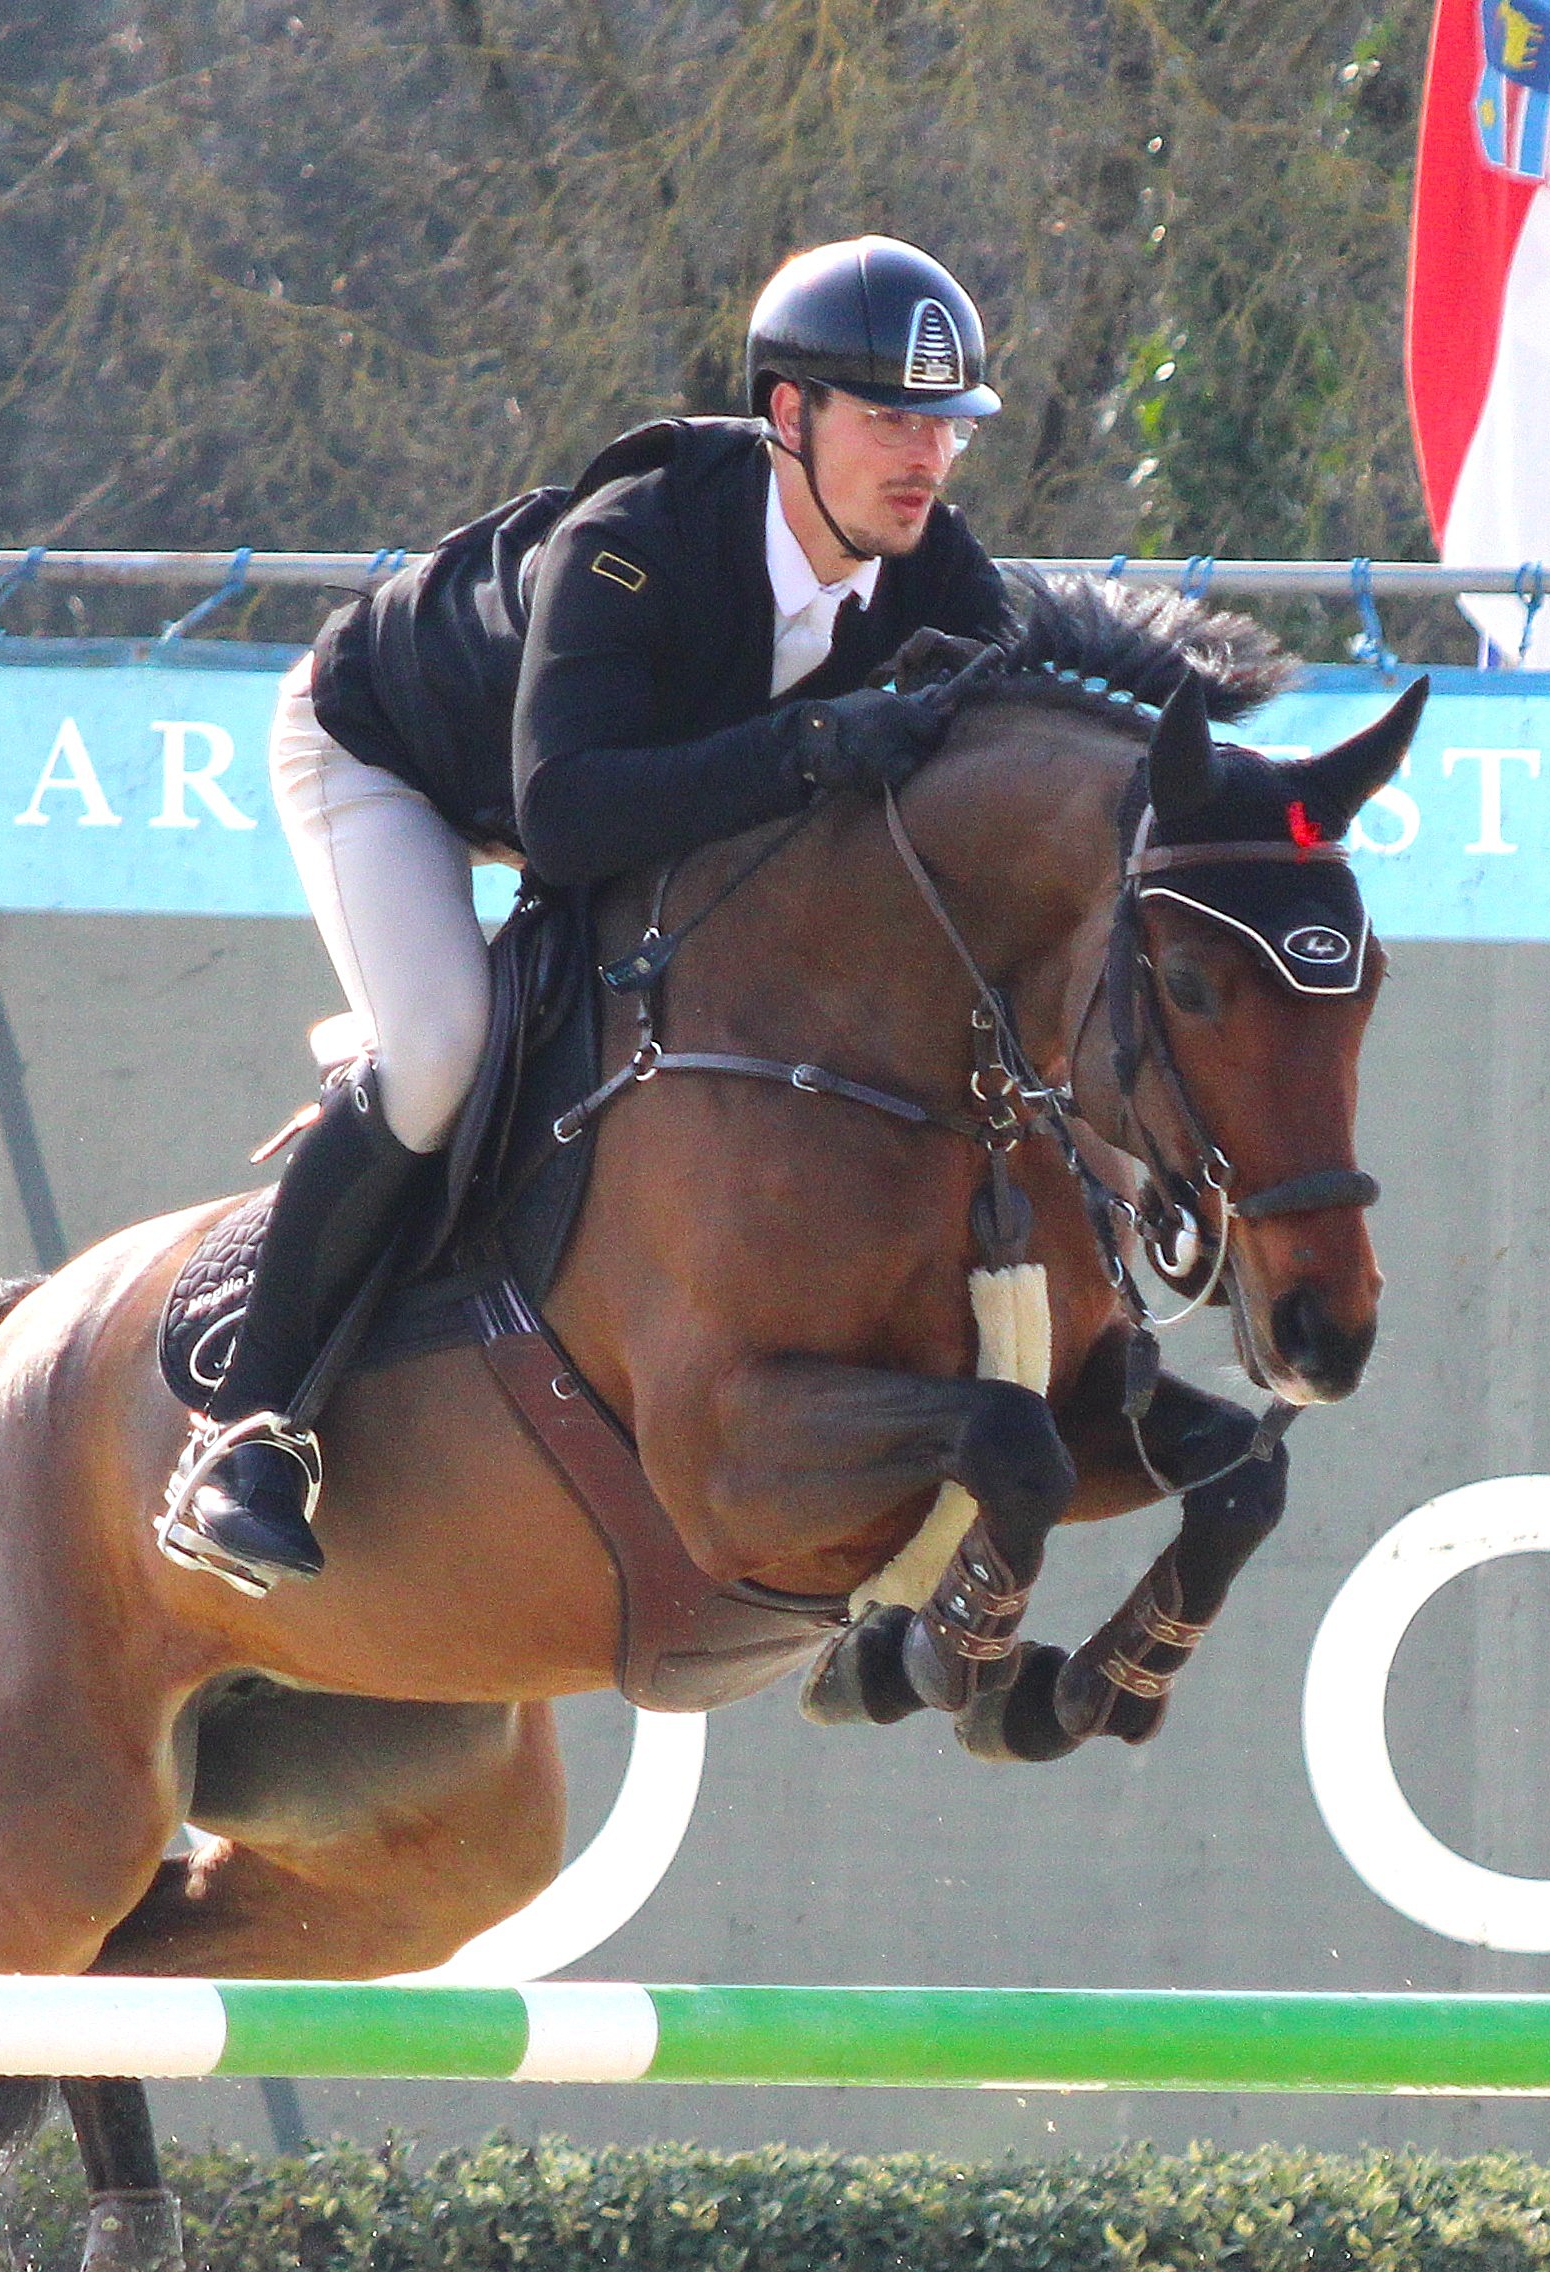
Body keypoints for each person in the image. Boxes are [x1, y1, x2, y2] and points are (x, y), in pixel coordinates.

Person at [157, 235, 1029, 1589]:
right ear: (789, 417)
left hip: (611, 795)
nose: (927, 456)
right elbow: (562, 818)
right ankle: (246, 1432)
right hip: (389, 751)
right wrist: (803, 753)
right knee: (442, 1049)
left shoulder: (933, 568)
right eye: (891, 418)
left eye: (948, 425)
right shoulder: (640, 540)